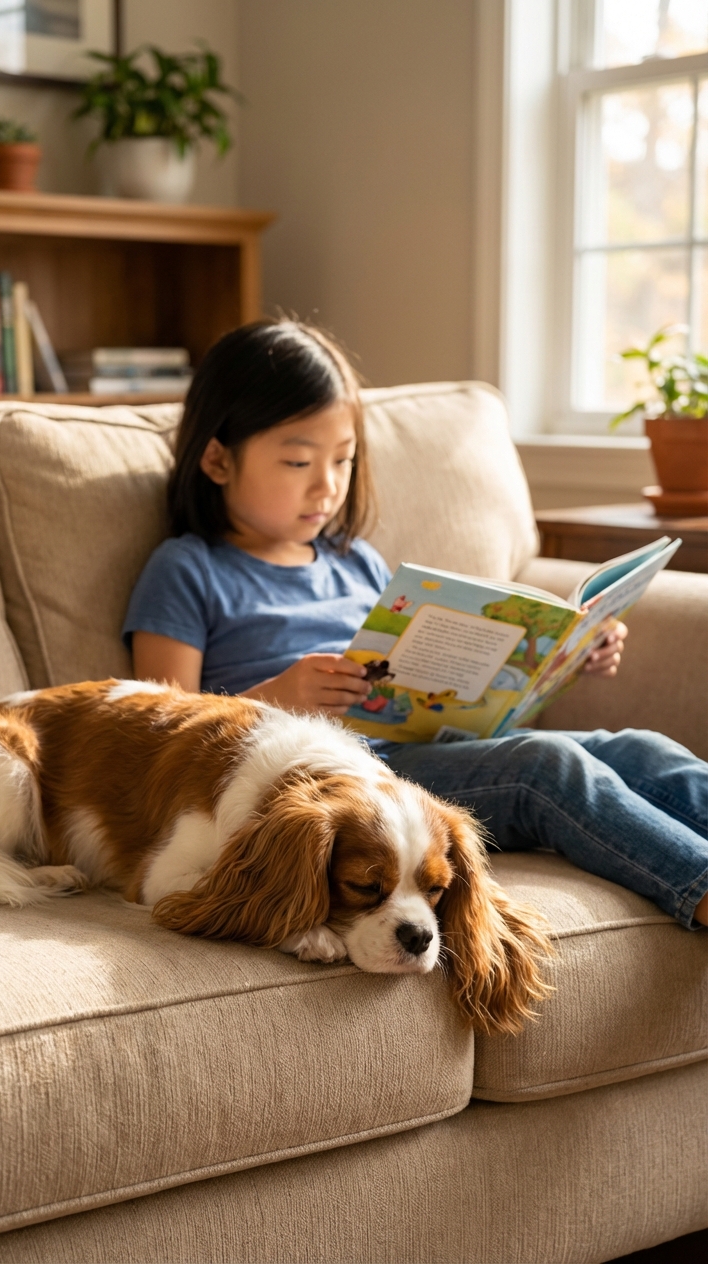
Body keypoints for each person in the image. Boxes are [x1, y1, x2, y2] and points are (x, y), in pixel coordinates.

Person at [123, 320, 708, 929]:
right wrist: (282, 696)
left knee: (638, 748)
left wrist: (563, 654)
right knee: (546, 769)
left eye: (343, 460)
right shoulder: (188, 569)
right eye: (298, 461)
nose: (326, 485)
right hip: (349, 783)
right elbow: (165, 736)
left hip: (430, 746)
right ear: (217, 458)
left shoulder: (355, 561)